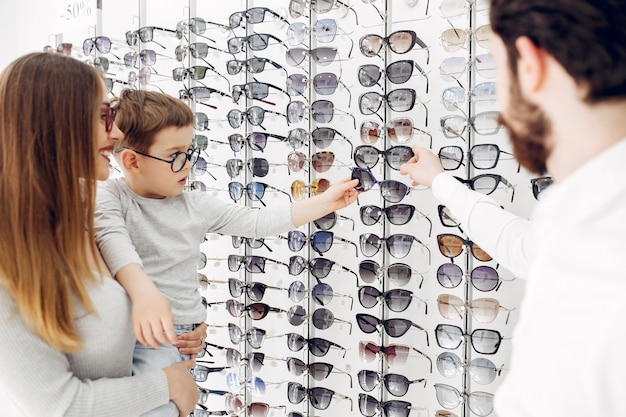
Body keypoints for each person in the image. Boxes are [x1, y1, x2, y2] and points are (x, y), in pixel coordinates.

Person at [400, 1, 626, 416]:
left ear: (529, 66)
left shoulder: (599, 277)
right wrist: (440, 181)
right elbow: (523, 246)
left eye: (495, 65)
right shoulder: (587, 222)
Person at [94, 89, 360, 417]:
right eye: (175, 155)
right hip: (142, 334)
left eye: (190, 151)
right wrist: (145, 296)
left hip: (183, 334)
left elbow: (258, 221)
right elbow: (113, 243)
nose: (187, 164)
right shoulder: (110, 197)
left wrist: (325, 202)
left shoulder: (196, 205)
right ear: (132, 162)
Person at [0, 52, 206, 417]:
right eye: (102, 116)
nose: (118, 132)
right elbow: (59, 407)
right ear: (56, 125)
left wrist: (178, 325)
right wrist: (169, 384)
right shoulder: (10, 261)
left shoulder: (79, 217)